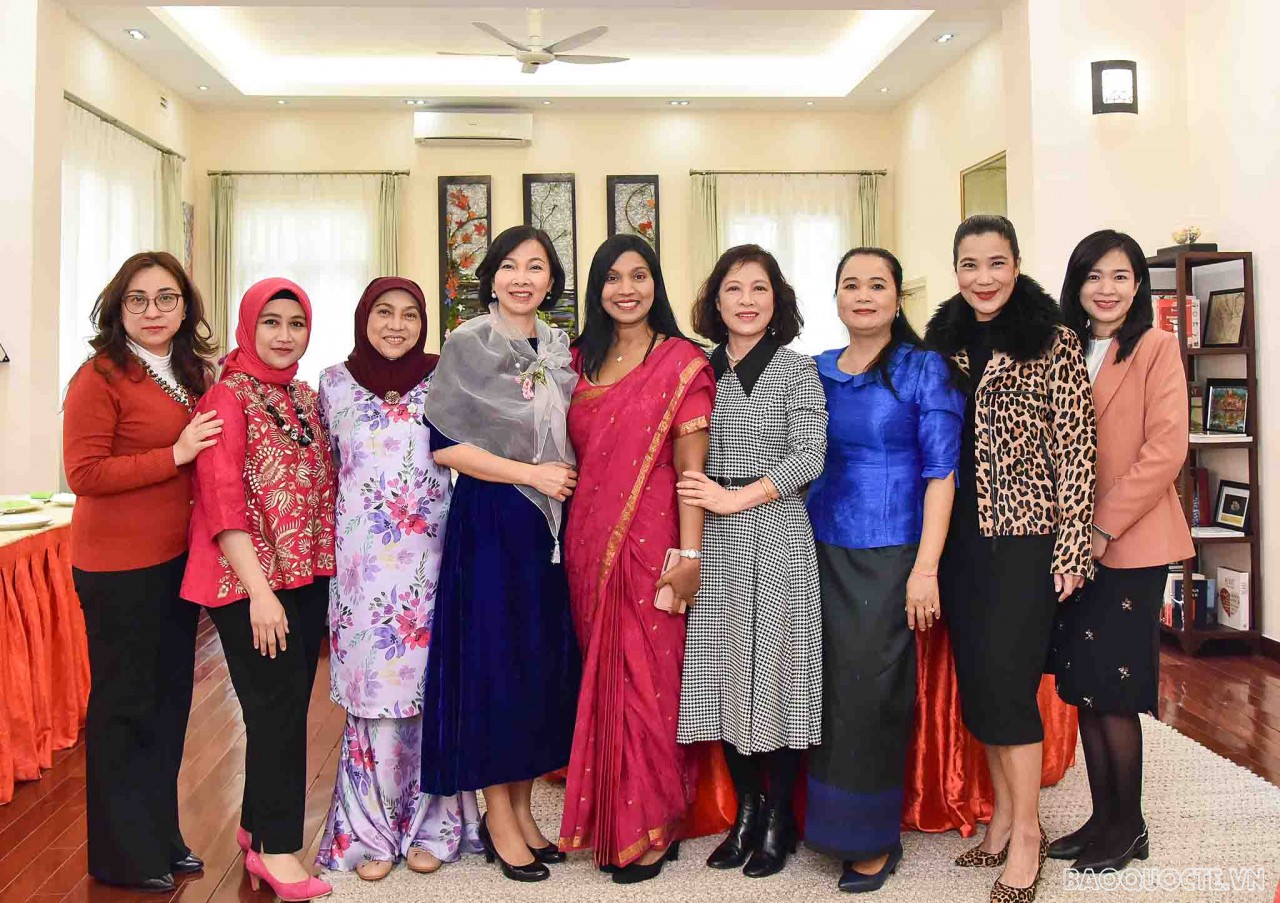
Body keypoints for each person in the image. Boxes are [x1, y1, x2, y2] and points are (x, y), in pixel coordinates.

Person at [925, 215, 1096, 903]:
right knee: (980, 684)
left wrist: (1073, 544)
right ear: (956, 269)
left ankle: (1029, 834)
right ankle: (1000, 820)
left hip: (1026, 538)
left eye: (995, 263)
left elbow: (1078, 446)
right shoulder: (943, 341)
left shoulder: (1052, 341)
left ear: (1017, 263)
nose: (983, 278)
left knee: (1010, 686)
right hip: (961, 539)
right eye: (969, 264)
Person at [419, 225, 581, 884]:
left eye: (535, 267)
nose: (521, 277)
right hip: (491, 518)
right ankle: (497, 815)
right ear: (490, 276)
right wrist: (533, 476)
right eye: (509, 266)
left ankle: (521, 807)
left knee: (532, 667)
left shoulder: (559, 344)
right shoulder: (468, 342)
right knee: (493, 664)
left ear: (551, 281)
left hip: (547, 529)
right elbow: (444, 444)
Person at [802, 248, 963, 893]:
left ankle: (872, 837)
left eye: (878, 285)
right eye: (851, 285)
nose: (863, 295)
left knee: (869, 692)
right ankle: (825, 823)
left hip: (891, 550)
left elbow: (942, 476)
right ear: (836, 297)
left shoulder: (924, 370)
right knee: (823, 688)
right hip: (812, 552)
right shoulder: (813, 370)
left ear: (898, 297)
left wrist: (925, 569)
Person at [558, 234, 716, 884]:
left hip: (654, 540)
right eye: (613, 277)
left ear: (656, 283)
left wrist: (689, 553)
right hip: (587, 542)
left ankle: (653, 825)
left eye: (639, 275)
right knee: (602, 680)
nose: (626, 288)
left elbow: (690, 469)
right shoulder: (577, 360)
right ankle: (611, 816)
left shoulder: (680, 361)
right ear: (596, 290)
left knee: (650, 682)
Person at [62, 251, 219, 893]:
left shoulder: (186, 370)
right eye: (138, 300)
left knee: (168, 704)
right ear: (117, 307)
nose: (153, 311)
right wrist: (173, 454)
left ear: (185, 307)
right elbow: (84, 474)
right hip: (118, 569)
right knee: (125, 709)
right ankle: (121, 855)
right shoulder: (100, 375)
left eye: (166, 298)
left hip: (175, 565)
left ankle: (160, 833)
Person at [315, 277, 482, 881]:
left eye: (410, 314)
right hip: (362, 570)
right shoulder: (332, 384)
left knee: (431, 693)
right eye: (383, 312)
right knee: (376, 700)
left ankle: (435, 826)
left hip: (436, 559)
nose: (396, 324)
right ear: (364, 318)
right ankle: (372, 833)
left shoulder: (448, 378)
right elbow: (323, 474)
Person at [181, 278, 336, 902]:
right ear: (248, 326)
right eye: (270, 322)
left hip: (304, 574)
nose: (283, 335)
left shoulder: (302, 395)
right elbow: (219, 499)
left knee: (285, 708)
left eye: (295, 324)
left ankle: (253, 826)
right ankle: (278, 850)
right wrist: (261, 592)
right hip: (246, 580)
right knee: (274, 713)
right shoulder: (225, 395)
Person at [675, 244, 826, 880]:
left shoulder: (796, 370)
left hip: (780, 533)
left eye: (758, 289)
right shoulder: (696, 370)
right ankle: (747, 810)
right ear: (715, 301)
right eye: (733, 289)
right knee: (727, 675)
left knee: (783, 677)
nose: (745, 300)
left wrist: (735, 495)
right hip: (715, 544)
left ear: (777, 300)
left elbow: (812, 453)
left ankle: (778, 820)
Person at [1048, 230, 1193, 873]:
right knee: (1084, 687)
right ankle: (1102, 818)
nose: (1106, 289)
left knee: (1117, 692)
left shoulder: (1157, 347)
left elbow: (1165, 450)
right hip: (1069, 548)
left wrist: (1099, 529)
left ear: (1139, 285)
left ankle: (1128, 828)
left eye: (1120, 276)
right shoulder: (1063, 348)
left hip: (1129, 542)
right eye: (1093, 276)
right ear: (1076, 284)